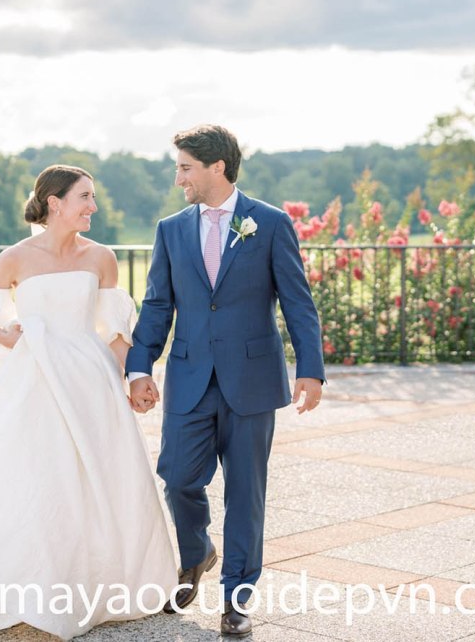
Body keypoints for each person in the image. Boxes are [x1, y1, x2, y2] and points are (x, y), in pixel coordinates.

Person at [0, 165, 177, 640]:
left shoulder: (102, 257)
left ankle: (94, 578)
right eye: (85, 197)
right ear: (55, 202)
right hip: (34, 379)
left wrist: (134, 380)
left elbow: (115, 332)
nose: (94, 206)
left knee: (99, 475)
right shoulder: (15, 257)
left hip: (89, 379)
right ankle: (34, 582)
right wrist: (7, 336)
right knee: (37, 477)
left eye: (93, 197)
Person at [126, 125, 325, 637]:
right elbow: (157, 304)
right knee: (178, 478)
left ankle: (237, 598)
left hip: (252, 381)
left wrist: (309, 368)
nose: (179, 179)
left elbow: (297, 301)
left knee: (245, 493)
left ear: (217, 167)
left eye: (185, 168)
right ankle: (197, 552)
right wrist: (140, 367)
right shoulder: (171, 229)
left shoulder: (270, 223)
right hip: (189, 376)